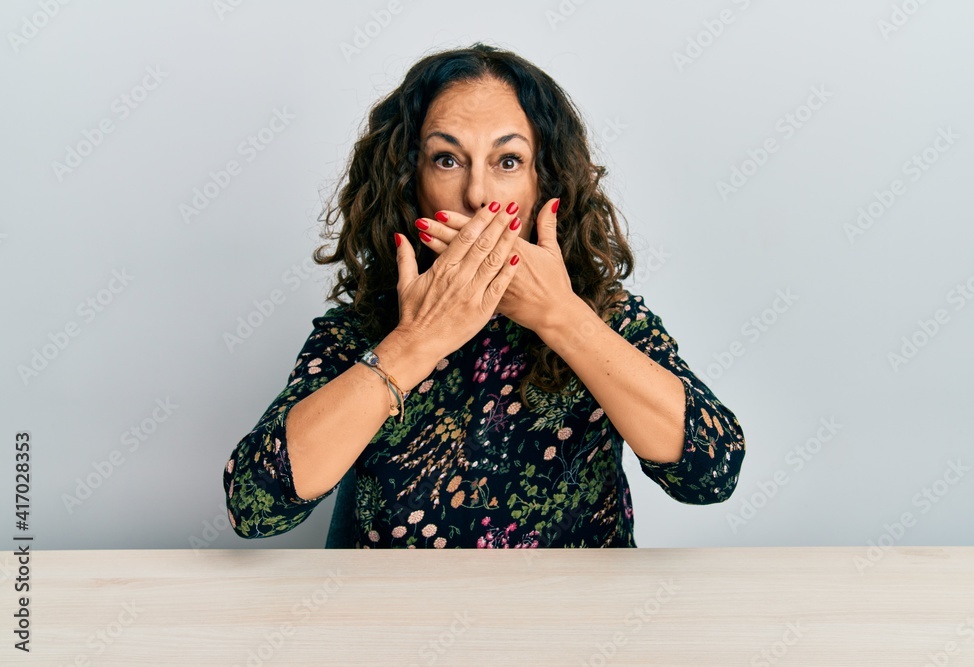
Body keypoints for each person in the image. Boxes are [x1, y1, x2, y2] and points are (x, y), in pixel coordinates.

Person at [222, 43, 746, 548]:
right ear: (410, 182)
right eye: (447, 160)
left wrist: (562, 317)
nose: (478, 195)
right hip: (390, 626)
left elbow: (712, 475)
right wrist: (415, 341)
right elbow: (254, 507)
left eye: (508, 161)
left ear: (546, 181)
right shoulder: (360, 328)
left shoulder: (607, 316)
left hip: (576, 626)